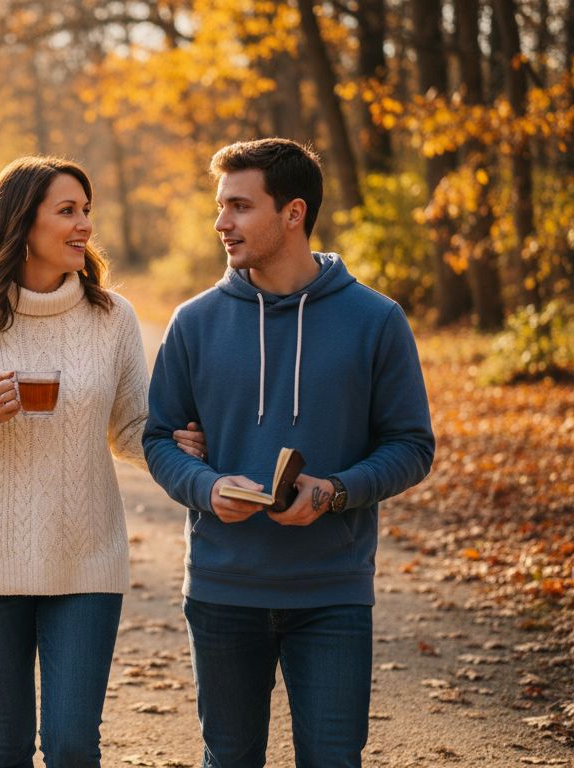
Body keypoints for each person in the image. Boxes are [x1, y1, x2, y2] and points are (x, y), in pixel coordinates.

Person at [0, 155, 204, 768]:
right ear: (22, 222)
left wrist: (177, 444)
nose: (84, 224)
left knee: (71, 746)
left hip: (86, 560)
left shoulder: (111, 316)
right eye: (67, 210)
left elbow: (130, 428)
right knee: (6, 750)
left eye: (86, 210)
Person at [143, 138, 435, 767]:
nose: (222, 222)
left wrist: (335, 491)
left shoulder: (376, 320)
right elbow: (159, 439)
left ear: (293, 212)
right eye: (220, 206)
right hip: (222, 589)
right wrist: (205, 487)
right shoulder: (193, 322)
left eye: (240, 206)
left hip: (331, 592)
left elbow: (412, 446)